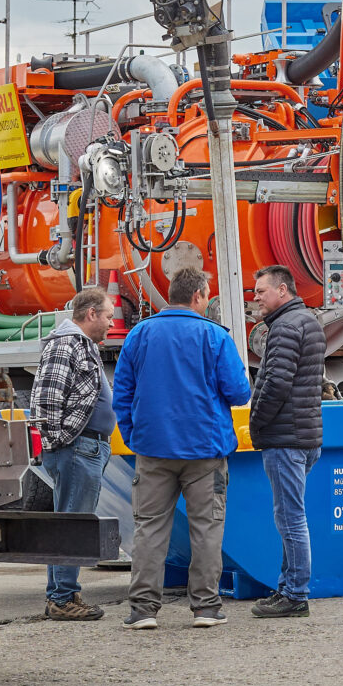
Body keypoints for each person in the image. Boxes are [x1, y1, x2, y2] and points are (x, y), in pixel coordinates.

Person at [113, 267, 251, 629]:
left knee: (150, 528)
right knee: (206, 528)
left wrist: (134, 436)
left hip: (153, 450)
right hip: (206, 451)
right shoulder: (215, 337)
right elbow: (239, 392)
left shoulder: (140, 334)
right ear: (199, 296)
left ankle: (143, 610)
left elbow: (122, 393)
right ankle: (205, 608)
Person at [29, 285, 116, 621]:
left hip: (82, 447)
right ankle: (63, 599)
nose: (111, 322)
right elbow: (47, 400)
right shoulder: (67, 343)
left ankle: (62, 594)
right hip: (77, 448)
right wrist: (61, 441)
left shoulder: (78, 344)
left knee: (68, 521)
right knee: (74, 524)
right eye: (108, 315)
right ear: (91, 314)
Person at [248, 265, 325, 619]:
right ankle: (288, 587)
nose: (256, 297)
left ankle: (295, 594)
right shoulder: (307, 321)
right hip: (304, 435)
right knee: (290, 516)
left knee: (290, 518)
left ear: (282, 290)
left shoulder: (285, 327)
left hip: (286, 437)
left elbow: (275, 384)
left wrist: (256, 422)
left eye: (260, 291)